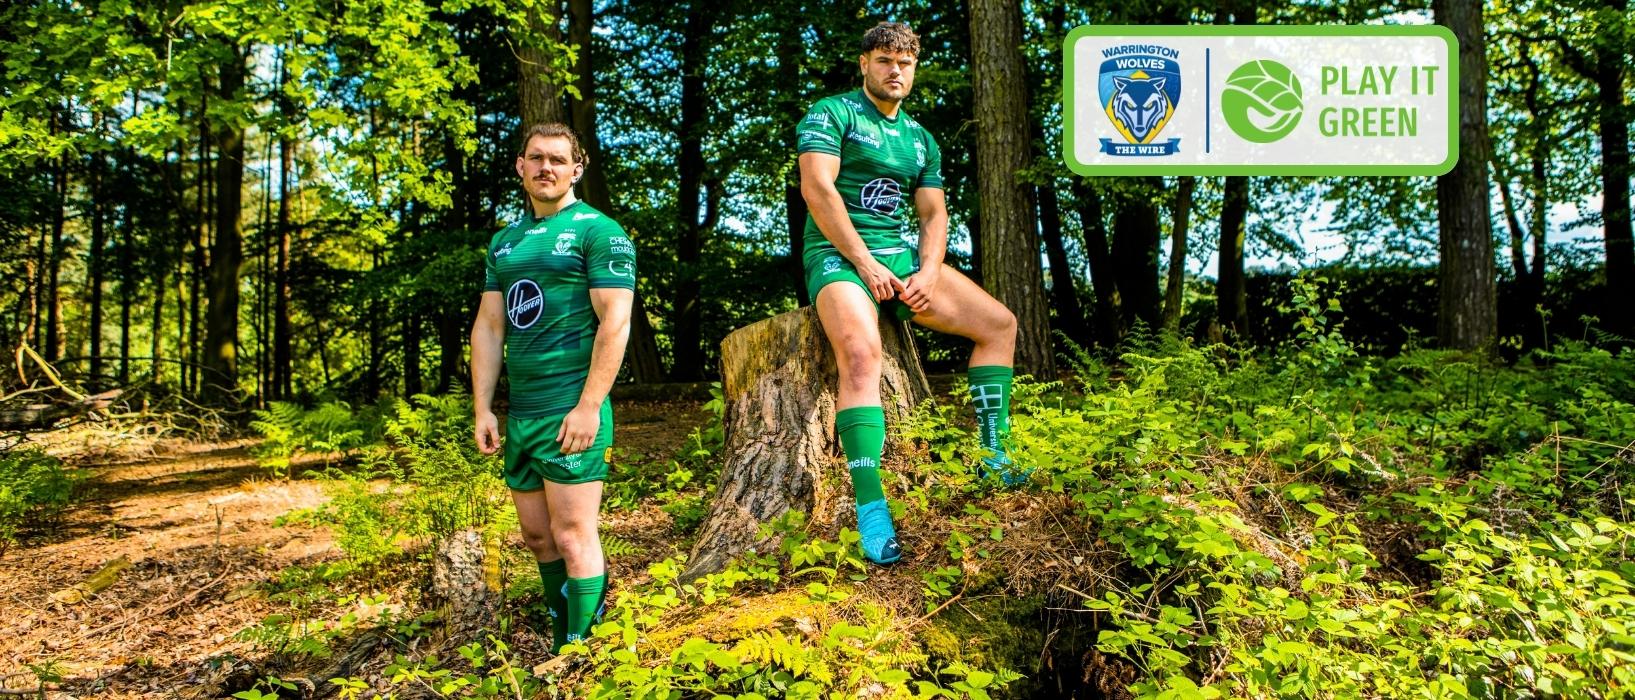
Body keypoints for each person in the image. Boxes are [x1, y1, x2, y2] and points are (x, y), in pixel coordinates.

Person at [797, 22, 1020, 566]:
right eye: (884, 60)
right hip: (838, 255)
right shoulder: (833, 113)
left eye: (905, 63)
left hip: (902, 260)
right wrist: (863, 261)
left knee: (1000, 326)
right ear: (865, 63)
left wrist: (928, 269)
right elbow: (817, 188)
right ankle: (871, 507)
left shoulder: (921, 138)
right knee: (861, 354)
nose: (895, 71)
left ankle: (995, 453)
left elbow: (933, 213)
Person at [470, 122, 636, 651]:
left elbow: (615, 322)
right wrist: (483, 408)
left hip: (571, 410)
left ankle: (577, 653)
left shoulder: (599, 231)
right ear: (520, 167)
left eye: (558, 160)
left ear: (576, 169)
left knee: (571, 535)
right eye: (536, 158)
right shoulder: (505, 242)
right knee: (538, 539)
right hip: (521, 416)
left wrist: (590, 407)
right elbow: (490, 327)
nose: (546, 168)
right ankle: (566, 631)